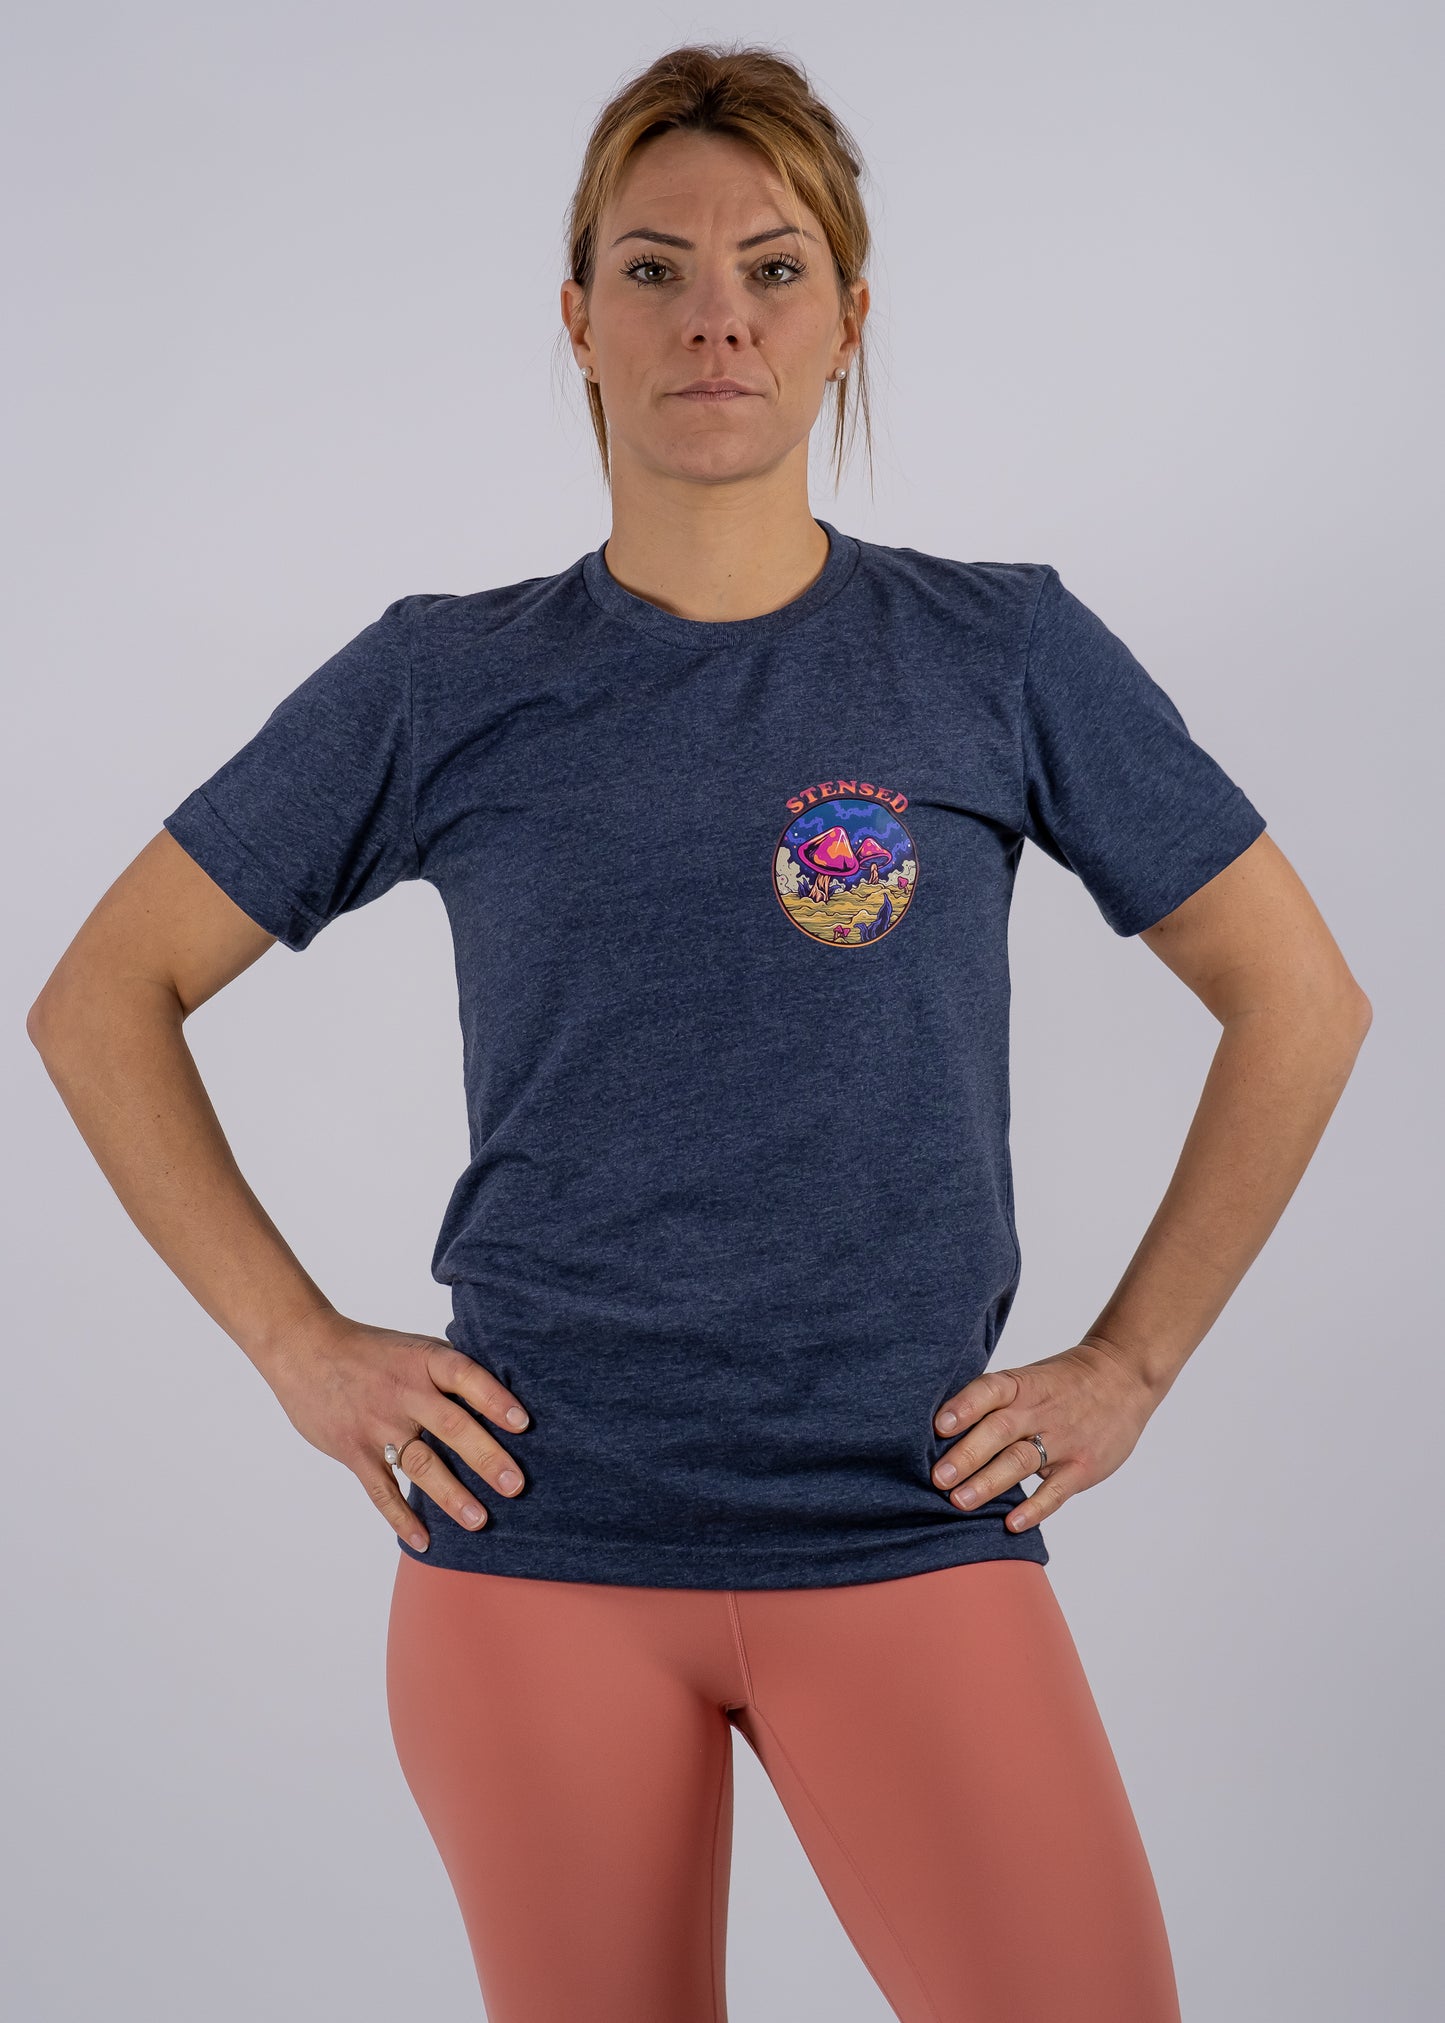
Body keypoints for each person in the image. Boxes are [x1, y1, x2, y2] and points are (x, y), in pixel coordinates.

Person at [26, 41, 1372, 2023]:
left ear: (847, 319)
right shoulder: (442, 681)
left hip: (905, 1523)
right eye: (653, 269)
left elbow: (1301, 1000)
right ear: (579, 321)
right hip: (536, 1548)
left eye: (772, 267)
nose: (715, 318)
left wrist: (1131, 1362)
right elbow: (97, 1001)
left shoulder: (996, 652)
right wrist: (298, 1346)